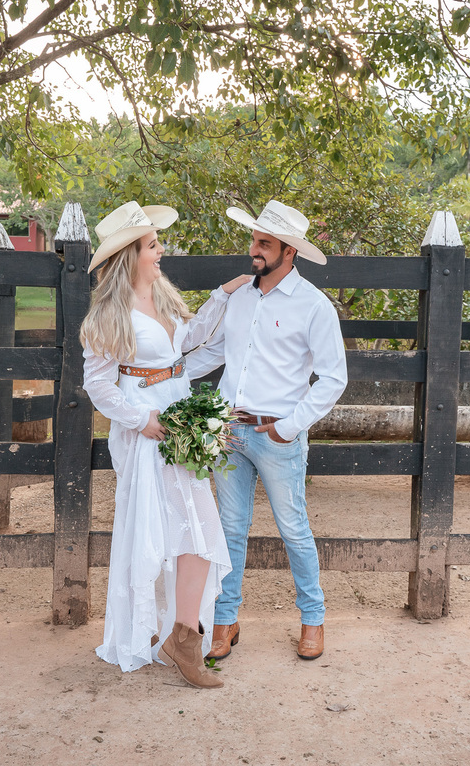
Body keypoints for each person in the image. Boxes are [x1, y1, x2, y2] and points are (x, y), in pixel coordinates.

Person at [80, 200, 251, 689]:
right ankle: (176, 636)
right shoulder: (108, 317)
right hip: (149, 430)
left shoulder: (163, 295)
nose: (161, 253)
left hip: (179, 419)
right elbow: (100, 387)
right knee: (173, 529)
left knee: (195, 527)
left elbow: (188, 342)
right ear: (130, 256)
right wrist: (141, 420)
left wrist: (223, 295)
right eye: (153, 246)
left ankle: (183, 635)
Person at [187, 200, 347, 662]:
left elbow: (334, 378)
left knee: (293, 529)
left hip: (278, 436)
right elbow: (212, 353)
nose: (254, 250)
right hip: (230, 433)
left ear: (289, 251)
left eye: (264, 243)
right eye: (254, 241)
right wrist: (161, 373)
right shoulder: (238, 297)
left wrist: (290, 427)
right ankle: (225, 620)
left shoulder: (314, 307)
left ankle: (313, 620)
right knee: (230, 529)